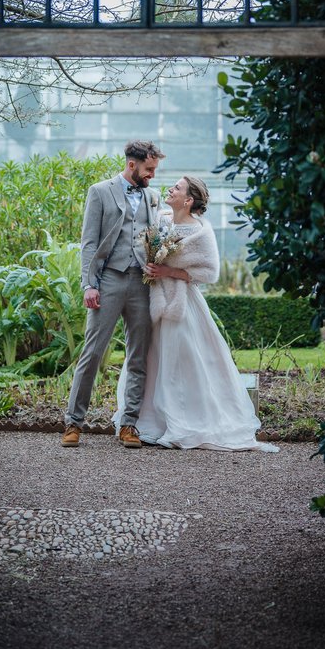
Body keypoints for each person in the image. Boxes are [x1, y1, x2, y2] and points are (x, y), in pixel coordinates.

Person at [116, 175, 279, 452]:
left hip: (182, 305)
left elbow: (208, 273)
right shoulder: (160, 219)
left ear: (188, 200)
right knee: (149, 358)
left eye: (177, 188)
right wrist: (150, 267)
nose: (171, 189)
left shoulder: (200, 231)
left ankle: (185, 419)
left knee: (183, 360)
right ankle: (145, 421)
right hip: (154, 300)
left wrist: (168, 271)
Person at [61, 140, 165, 449]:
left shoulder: (153, 196)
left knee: (138, 355)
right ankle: (73, 422)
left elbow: (154, 238)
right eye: (149, 169)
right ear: (132, 165)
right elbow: (89, 242)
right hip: (108, 281)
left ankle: (129, 424)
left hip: (141, 284)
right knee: (92, 352)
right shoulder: (99, 192)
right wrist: (89, 284)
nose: (152, 175)